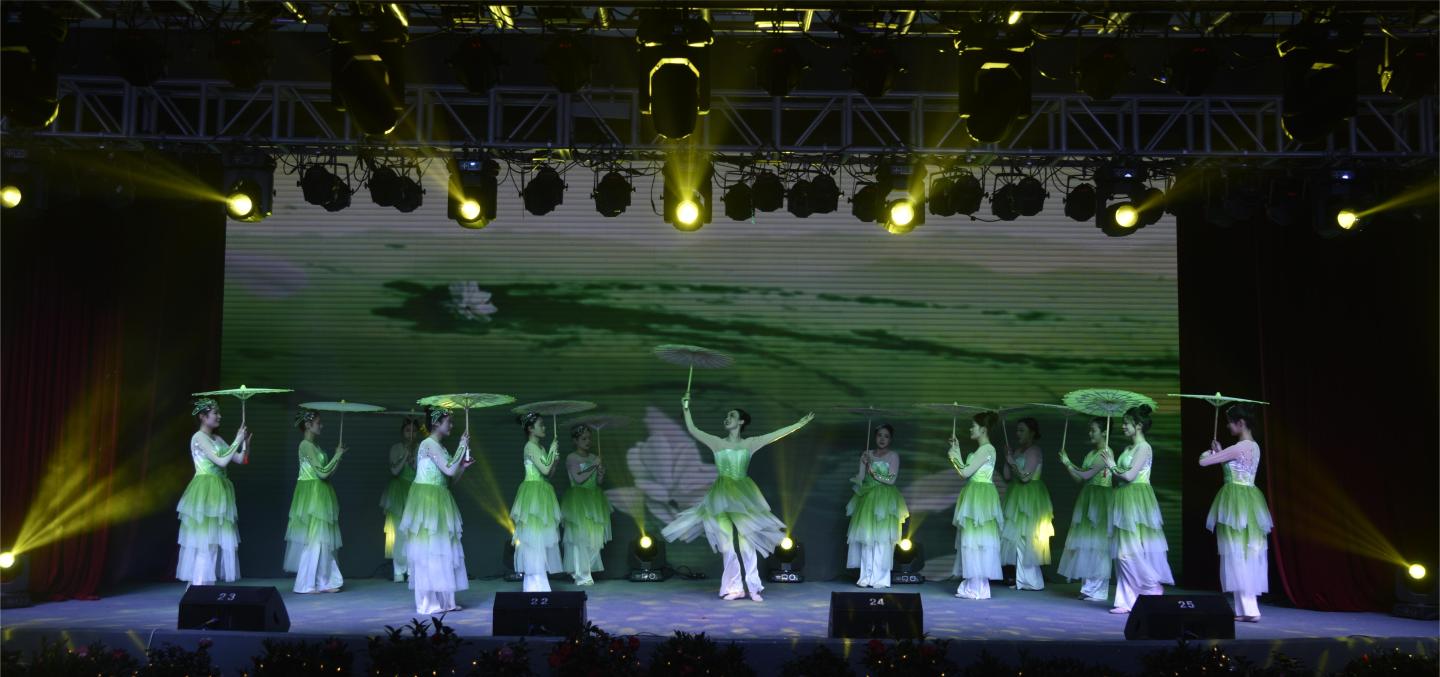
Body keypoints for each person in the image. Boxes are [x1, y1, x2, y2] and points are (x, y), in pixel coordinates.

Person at [662, 395, 814, 601]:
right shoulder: (716, 442)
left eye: (732, 415)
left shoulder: (750, 443)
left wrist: (798, 424)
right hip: (720, 497)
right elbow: (693, 429)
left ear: (741, 422)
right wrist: (686, 407)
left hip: (743, 496)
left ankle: (753, 588)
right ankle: (733, 588)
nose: (727, 418)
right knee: (727, 546)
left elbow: (774, 435)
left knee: (746, 544)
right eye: (726, 416)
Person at [1199, 404, 1272, 622]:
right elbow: (1232, 465)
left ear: (1241, 423)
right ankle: (1246, 609)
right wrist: (1221, 451)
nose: (1228, 426)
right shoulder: (1254, 446)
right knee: (1244, 551)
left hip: (1235, 502)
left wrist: (1210, 453)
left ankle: (1249, 609)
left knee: (1237, 551)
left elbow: (1203, 462)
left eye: (1230, 422)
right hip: (1249, 500)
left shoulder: (1239, 447)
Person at [400, 407, 473, 614]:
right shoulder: (428, 444)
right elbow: (449, 468)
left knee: (442, 550)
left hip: (440, 499)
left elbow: (449, 479)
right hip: (427, 501)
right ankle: (429, 602)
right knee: (429, 551)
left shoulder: (440, 447)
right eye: (448, 422)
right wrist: (461, 446)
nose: (451, 425)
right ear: (436, 423)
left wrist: (463, 466)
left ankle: (446, 601)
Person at [1103, 404, 1174, 614]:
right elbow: (1121, 476)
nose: (1123, 426)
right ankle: (1126, 601)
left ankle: (1151, 586)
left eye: (1127, 423)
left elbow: (1129, 475)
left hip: (1137, 498)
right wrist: (1111, 469)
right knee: (1121, 551)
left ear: (1139, 425)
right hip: (1124, 497)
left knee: (1129, 551)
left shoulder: (1144, 448)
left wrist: (1111, 465)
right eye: (1123, 423)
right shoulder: (1128, 448)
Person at [176, 398, 249, 586]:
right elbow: (221, 461)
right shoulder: (199, 437)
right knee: (204, 543)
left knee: (214, 543)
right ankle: (198, 588)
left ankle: (205, 588)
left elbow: (240, 460)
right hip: (206, 490)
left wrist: (245, 444)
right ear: (203, 416)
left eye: (219, 412)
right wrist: (237, 440)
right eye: (215, 413)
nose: (219, 416)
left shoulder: (217, 439)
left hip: (220, 490)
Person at [284, 409, 345, 594]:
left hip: (321, 493)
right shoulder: (305, 445)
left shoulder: (316, 446)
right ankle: (305, 583)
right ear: (308, 425)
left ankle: (324, 581)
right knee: (314, 540)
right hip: (312, 495)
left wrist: (338, 457)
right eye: (318, 422)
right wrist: (336, 455)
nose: (321, 425)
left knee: (323, 540)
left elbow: (328, 474)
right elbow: (322, 473)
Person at [1057, 418, 1115, 602]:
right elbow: (1079, 479)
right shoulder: (1091, 453)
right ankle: (1088, 586)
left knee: (1099, 543)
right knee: (1087, 543)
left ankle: (1097, 589)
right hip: (1088, 496)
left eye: (1093, 430)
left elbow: (1087, 474)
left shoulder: (1106, 453)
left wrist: (1068, 462)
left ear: (1104, 432)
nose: (1090, 433)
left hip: (1101, 499)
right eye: (1089, 430)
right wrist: (1067, 464)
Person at [949, 411, 1004, 599]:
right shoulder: (983, 450)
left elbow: (965, 473)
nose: (970, 429)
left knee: (976, 540)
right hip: (976, 494)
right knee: (974, 540)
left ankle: (976, 587)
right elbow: (966, 471)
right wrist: (956, 451)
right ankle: (977, 585)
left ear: (983, 429)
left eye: (973, 426)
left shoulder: (987, 449)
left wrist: (954, 456)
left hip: (980, 496)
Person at [846, 423, 909, 588]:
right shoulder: (867, 454)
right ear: (875, 437)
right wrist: (862, 463)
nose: (882, 439)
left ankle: (880, 579)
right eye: (880, 435)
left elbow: (891, 479)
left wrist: (873, 472)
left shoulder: (893, 456)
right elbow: (861, 478)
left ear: (891, 439)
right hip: (868, 499)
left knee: (882, 540)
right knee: (867, 539)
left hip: (885, 500)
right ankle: (866, 577)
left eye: (886, 436)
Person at [1000, 417, 1055, 591]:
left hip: (1031, 496)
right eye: (1017, 430)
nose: (1018, 433)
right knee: (1017, 538)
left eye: (1022, 430)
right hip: (1016, 495)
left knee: (1028, 537)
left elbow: (1025, 477)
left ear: (1032, 432)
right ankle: (1021, 579)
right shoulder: (1018, 451)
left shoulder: (1034, 451)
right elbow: (1007, 476)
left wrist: (1012, 462)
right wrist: (1008, 458)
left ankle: (1032, 581)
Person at [511, 412, 563, 592]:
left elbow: (549, 473)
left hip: (542, 492)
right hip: (533, 494)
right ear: (530, 428)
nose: (544, 427)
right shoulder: (530, 447)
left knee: (541, 537)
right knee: (533, 538)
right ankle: (533, 585)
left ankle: (540, 583)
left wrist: (554, 460)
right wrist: (552, 450)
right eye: (541, 424)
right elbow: (544, 469)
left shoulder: (539, 447)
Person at [560, 424, 613, 585]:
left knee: (594, 539)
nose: (588, 441)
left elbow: (598, 481)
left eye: (589, 438)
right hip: (578, 501)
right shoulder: (572, 458)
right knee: (580, 539)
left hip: (594, 501)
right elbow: (578, 479)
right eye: (583, 438)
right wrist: (594, 465)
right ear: (575, 441)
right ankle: (581, 574)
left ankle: (585, 570)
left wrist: (601, 473)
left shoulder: (593, 457)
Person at [381, 417, 419, 582]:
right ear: (402, 432)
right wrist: (405, 455)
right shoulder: (396, 448)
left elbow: (421, 471)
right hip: (398, 490)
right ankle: (398, 570)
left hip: (415, 490)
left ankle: (412, 570)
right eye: (407, 430)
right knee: (398, 531)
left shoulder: (421, 447)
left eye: (414, 431)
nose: (411, 434)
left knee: (414, 531)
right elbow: (394, 471)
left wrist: (413, 458)